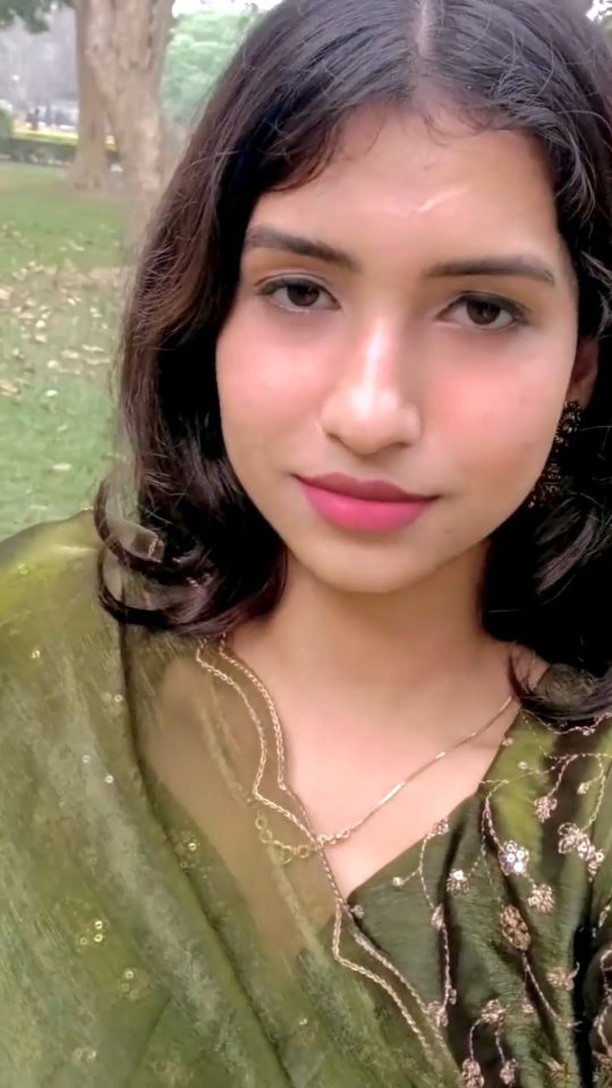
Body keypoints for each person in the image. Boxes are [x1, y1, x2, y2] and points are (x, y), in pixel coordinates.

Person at [2, 0, 612, 1083]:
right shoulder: (35, 656)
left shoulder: (585, 837)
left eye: (482, 308)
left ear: (583, 365)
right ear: (210, 310)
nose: (371, 412)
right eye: (299, 290)